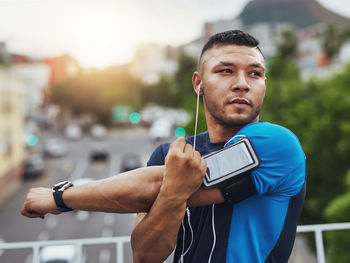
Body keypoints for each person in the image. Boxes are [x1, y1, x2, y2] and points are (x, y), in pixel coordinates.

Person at [21, 30, 306, 263]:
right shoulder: (166, 155)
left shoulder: (277, 145)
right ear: (199, 83)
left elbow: (150, 186)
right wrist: (173, 193)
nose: (242, 84)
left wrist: (60, 198)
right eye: (226, 71)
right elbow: (145, 255)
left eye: (255, 74)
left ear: (264, 84)